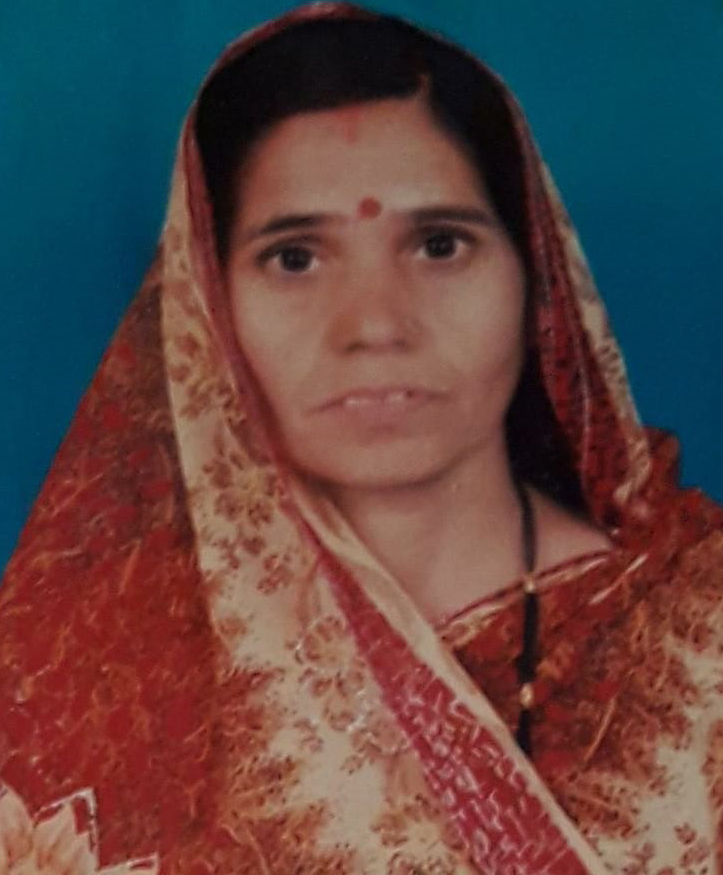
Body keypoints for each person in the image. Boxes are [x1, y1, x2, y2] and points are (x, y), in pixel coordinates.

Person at [1, 4, 722, 873]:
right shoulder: (91, 682)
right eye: (295, 257)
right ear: (207, 308)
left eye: (439, 244)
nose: (375, 325)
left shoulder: (698, 644)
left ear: (536, 276)